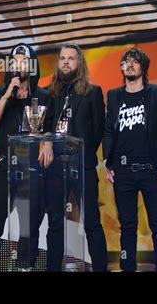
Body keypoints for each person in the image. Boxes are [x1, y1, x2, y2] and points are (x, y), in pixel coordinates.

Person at [0, 43, 53, 271]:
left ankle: (25, 266)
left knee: (30, 222)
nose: (19, 65)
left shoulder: (44, 96)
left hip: (30, 168)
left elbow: (49, 127)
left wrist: (47, 141)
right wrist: (8, 93)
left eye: (24, 61)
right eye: (15, 61)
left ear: (32, 65)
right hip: (2, 167)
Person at [103, 48, 157, 272]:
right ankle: (127, 268)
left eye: (135, 62)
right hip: (123, 171)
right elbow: (108, 130)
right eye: (126, 62)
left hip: (153, 170)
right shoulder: (114, 95)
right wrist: (107, 161)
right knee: (127, 226)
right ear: (121, 68)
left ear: (143, 68)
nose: (130, 65)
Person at [46, 43, 108, 271]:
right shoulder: (50, 93)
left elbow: (98, 130)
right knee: (55, 223)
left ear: (79, 63)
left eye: (71, 58)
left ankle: (101, 268)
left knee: (92, 222)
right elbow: (45, 126)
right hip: (55, 168)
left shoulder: (93, 92)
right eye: (62, 58)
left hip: (82, 165)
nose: (65, 62)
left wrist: (79, 152)